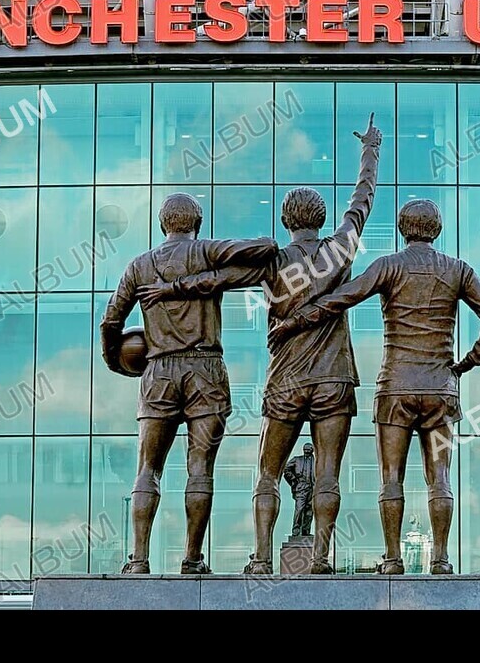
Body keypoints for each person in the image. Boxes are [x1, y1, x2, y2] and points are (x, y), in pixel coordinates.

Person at [136, 114, 383, 574]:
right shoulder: (341, 249)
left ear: (287, 221)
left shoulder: (273, 262)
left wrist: (170, 289)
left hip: (286, 381)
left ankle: (262, 560)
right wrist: (370, 151)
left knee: (268, 473)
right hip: (334, 378)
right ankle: (321, 561)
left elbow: (219, 280)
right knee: (328, 472)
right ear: (321, 219)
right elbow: (362, 201)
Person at [268, 199, 480, 575]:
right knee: (439, 478)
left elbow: (340, 299)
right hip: (440, 388)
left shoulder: (389, 266)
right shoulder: (458, 270)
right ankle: (440, 560)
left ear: (402, 229)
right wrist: (464, 364)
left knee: (390, 478)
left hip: (395, 387)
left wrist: (294, 321)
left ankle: (393, 559)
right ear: (437, 230)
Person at [100, 193, 278, 575]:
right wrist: (208, 275)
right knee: (201, 469)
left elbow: (110, 322)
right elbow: (266, 248)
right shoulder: (207, 251)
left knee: (147, 469)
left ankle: (139, 560)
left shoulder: (140, 265)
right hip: (205, 371)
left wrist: (115, 361)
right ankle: (192, 559)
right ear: (196, 223)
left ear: (163, 224)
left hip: (158, 372)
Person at [283, 443, 316, 537]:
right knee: (299, 509)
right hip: (301, 487)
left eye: (308, 449)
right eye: (305, 449)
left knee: (309, 510)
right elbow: (286, 469)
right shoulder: (297, 460)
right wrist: (293, 479)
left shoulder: (317, 461)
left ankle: (306, 531)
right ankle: (296, 531)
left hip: (312, 488)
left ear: (312, 450)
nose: (306, 451)